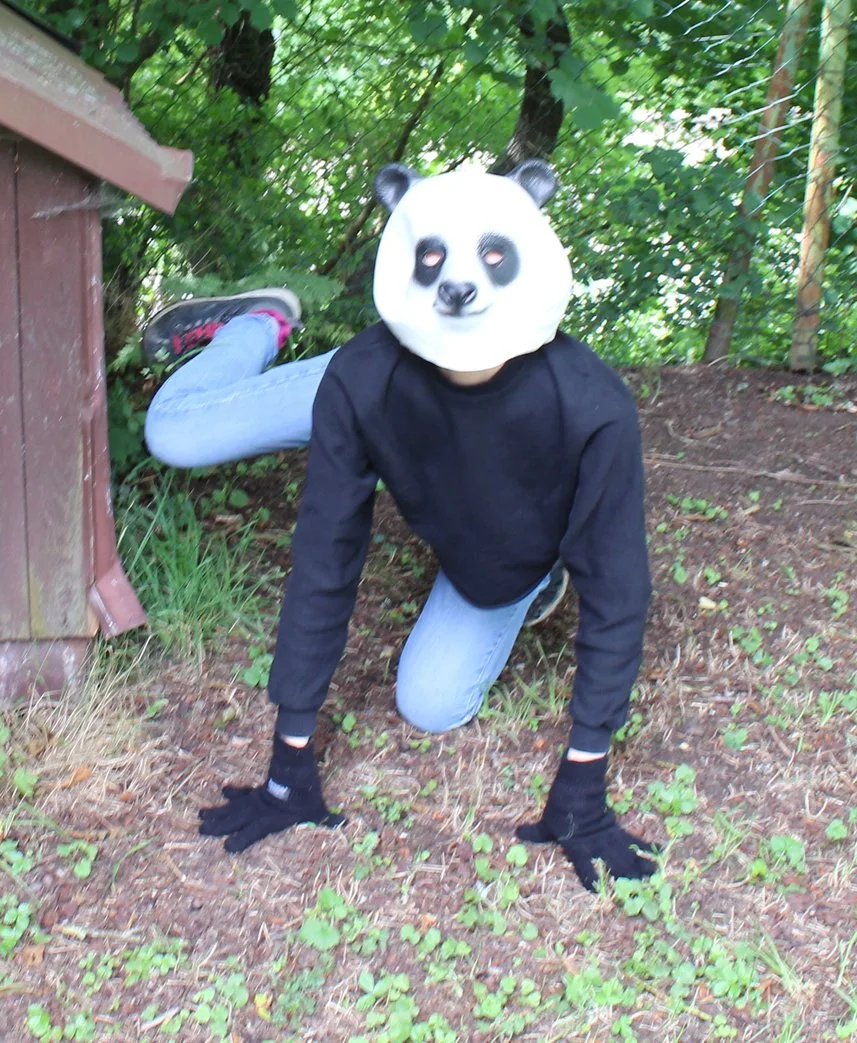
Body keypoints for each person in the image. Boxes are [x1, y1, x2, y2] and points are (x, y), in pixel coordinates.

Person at [143, 160, 663, 889]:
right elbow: (326, 550)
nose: (459, 276)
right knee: (175, 432)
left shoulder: (592, 406)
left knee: (431, 702)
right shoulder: (361, 377)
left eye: (485, 257)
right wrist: (290, 756)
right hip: (395, 370)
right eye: (438, 256)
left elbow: (619, 586)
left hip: (503, 538)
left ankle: (542, 569)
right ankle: (257, 324)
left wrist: (585, 777)